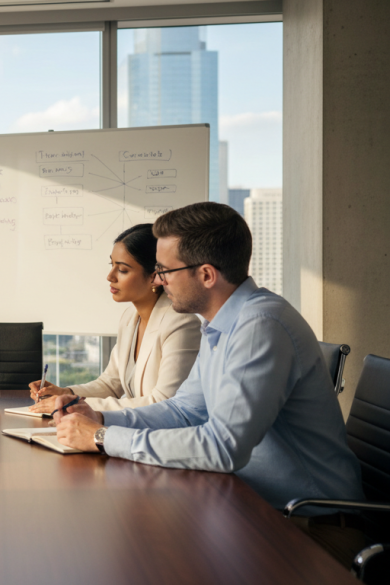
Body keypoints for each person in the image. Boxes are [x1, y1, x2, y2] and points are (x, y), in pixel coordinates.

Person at [50, 202, 365, 567]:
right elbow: (184, 410)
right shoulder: (220, 325)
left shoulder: (260, 326)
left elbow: (222, 447)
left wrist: (102, 440)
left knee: (135, 557)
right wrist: (102, 421)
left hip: (310, 529)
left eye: (165, 270)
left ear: (207, 275)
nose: (158, 280)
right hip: (255, 509)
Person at [27, 224, 199, 413]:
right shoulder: (130, 318)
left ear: (154, 277)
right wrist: (65, 393)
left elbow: (163, 403)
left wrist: (72, 404)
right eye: (112, 265)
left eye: (123, 270)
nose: (110, 276)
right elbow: (110, 383)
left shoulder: (181, 324)